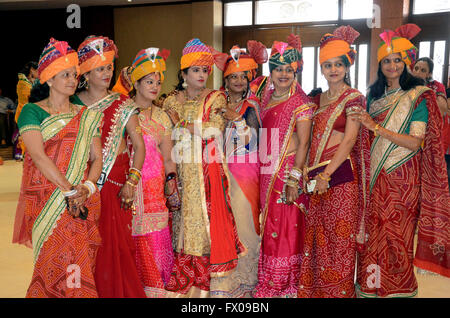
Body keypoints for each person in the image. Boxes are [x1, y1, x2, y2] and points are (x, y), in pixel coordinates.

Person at [352, 24, 450, 297]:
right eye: (387, 61)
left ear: (406, 63)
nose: (392, 65)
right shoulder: (373, 96)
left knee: (397, 234)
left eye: (398, 60)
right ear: (380, 64)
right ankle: (371, 287)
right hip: (374, 174)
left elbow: (415, 142)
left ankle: (399, 288)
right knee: (374, 232)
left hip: (403, 177)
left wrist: (375, 127)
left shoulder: (417, 95)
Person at [12, 38, 103, 297]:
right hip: (48, 199)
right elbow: (39, 157)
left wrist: (86, 187)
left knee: (78, 261)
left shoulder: (85, 113)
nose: (73, 80)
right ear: (49, 79)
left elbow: (97, 158)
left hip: (82, 198)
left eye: (74, 75)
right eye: (65, 75)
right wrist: (67, 190)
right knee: (52, 262)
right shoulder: (32, 111)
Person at [163, 38, 245, 297]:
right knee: (180, 219)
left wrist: (181, 125)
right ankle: (184, 271)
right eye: (195, 70)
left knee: (204, 219)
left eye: (205, 70)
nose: (201, 75)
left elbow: (215, 130)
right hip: (179, 167)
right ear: (184, 73)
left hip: (206, 171)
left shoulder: (215, 98)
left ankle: (204, 276)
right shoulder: (170, 102)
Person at [297, 26, 371, 298]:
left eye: (338, 64)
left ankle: (338, 293)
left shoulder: (353, 97)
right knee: (319, 238)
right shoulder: (316, 99)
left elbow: (350, 140)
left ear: (347, 65)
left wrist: (326, 175)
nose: (333, 70)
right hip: (317, 179)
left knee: (339, 241)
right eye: (327, 65)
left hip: (340, 180)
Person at [72, 35, 147, 298]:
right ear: (86, 73)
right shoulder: (72, 105)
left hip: (114, 187)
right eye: (100, 68)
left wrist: (132, 182)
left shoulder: (123, 104)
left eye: (109, 67)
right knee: (82, 248)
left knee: (114, 250)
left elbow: (139, 147)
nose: (107, 73)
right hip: (81, 187)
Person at [251, 34, 315, 298]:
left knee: (286, 228)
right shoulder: (265, 101)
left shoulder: (300, 103)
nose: (284, 74)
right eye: (278, 69)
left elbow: (304, 142)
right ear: (271, 72)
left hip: (286, 173)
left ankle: (285, 284)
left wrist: (294, 178)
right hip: (265, 173)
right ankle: (269, 280)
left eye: (289, 69)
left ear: (296, 71)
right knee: (269, 226)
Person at [209, 41, 267, 298]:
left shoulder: (250, 107)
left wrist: (237, 120)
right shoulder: (216, 103)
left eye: (244, 76)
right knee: (224, 225)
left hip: (245, 174)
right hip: (220, 171)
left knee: (244, 225)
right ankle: (226, 281)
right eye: (234, 77)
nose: (239, 81)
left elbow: (255, 142)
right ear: (226, 79)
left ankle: (247, 282)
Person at [128, 47, 177, 297]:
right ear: (135, 83)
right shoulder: (124, 112)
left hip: (156, 192)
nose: (155, 86)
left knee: (156, 241)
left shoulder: (162, 117)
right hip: (131, 191)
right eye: (149, 81)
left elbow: (168, 157)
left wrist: (171, 185)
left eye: (158, 82)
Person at [14, 61, 38, 160]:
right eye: (37, 70)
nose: (39, 73)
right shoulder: (22, 83)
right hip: (25, 114)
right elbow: (28, 99)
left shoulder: (31, 82)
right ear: (32, 70)